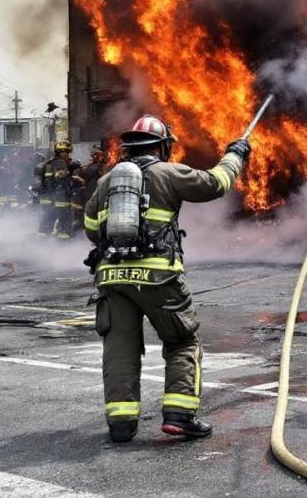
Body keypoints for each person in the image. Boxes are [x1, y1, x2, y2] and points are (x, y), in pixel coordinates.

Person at [83, 115, 250, 443]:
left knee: (119, 348)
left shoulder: (106, 183)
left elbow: (91, 228)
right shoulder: (169, 172)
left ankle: (121, 423)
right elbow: (217, 183)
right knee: (182, 341)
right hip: (159, 276)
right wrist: (236, 154)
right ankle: (179, 416)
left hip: (112, 279)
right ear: (161, 147)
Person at [42, 140, 75, 240]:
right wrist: (69, 188)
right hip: (60, 197)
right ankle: (63, 241)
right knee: (65, 219)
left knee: (49, 218)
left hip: (50, 196)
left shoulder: (51, 162)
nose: (68, 156)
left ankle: (43, 239)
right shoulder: (60, 162)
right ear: (62, 152)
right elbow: (60, 177)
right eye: (67, 152)